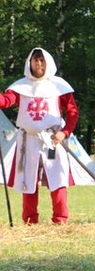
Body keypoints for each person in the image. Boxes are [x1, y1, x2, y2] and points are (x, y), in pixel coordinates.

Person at [0, 48, 79, 224]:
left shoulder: (59, 86)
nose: (39, 64)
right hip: (28, 139)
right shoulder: (20, 87)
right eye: (35, 60)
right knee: (28, 180)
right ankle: (30, 220)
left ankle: (60, 218)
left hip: (52, 139)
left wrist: (64, 133)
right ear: (30, 63)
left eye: (42, 60)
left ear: (48, 62)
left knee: (57, 178)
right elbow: (5, 101)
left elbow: (73, 112)